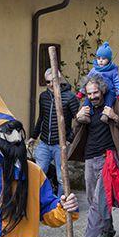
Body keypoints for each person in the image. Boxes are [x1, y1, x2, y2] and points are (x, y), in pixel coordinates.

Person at [69, 75, 119, 237]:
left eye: (95, 92)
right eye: (89, 93)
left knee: (99, 199)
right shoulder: (85, 107)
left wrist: (114, 117)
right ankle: (108, 229)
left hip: (109, 158)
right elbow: (74, 131)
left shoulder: (116, 104)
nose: (92, 96)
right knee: (94, 199)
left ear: (103, 90)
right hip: (90, 159)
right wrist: (77, 118)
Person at [30, 68, 80, 196]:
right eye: (48, 82)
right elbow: (41, 118)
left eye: (53, 81)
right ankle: (40, 204)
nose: (51, 84)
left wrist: (70, 138)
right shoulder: (44, 96)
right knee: (39, 174)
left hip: (60, 144)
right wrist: (33, 136)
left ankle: (61, 205)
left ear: (60, 79)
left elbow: (78, 122)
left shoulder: (70, 97)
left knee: (62, 178)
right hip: (44, 142)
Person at [77, 42, 119, 123]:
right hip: (94, 88)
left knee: (110, 98)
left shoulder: (113, 70)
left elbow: (117, 82)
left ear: (109, 59)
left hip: (109, 90)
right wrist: (81, 92)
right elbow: (86, 81)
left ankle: (105, 114)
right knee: (88, 99)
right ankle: (85, 115)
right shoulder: (94, 69)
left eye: (103, 59)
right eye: (98, 58)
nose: (100, 61)